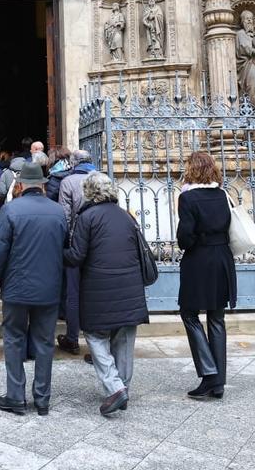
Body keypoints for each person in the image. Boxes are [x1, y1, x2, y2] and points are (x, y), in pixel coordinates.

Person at [65, 173, 149, 416]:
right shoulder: (126, 216)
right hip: (131, 289)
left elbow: (77, 256)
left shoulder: (87, 217)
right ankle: (123, 387)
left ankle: (114, 387)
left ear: (88, 192)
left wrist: (60, 252)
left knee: (95, 335)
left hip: (99, 289)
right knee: (124, 338)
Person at [0, 162, 66, 416]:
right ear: (42, 186)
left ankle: (16, 396)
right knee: (44, 342)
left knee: (13, 338)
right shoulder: (58, 211)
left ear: (20, 186)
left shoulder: (11, 210)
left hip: (18, 287)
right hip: (49, 288)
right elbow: (64, 246)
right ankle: (42, 399)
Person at [177, 151, 237, 400]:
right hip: (222, 259)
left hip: (199, 260)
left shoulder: (188, 198)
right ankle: (218, 381)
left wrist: (189, 240)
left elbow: (184, 237)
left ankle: (209, 373)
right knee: (216, 317)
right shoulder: (223, 195)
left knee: (189, 313)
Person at [54, 149, 97, 356]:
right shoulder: (103, 178)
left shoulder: (68, 182)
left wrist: (65, 243)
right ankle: (99, 340)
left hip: (75, 241)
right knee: (97, 290)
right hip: (100, 243)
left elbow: (65, 216)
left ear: (73, 163)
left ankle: (72, 338)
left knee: (73, 293)